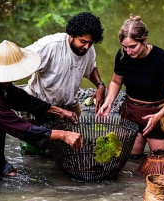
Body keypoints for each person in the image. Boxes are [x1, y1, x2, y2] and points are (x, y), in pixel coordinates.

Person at [0, 40, 84, 180]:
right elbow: (21, 128)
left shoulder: (1, 85)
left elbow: (22, 99)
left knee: (12, 175)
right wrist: (64, 135)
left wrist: (58, 111)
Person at [19, 12, 106, 155]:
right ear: (71, 35)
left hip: (66, 109)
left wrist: (100, 85)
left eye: (90, 43)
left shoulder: (88, 50)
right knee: (33, 154)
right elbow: (20, 61)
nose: (86, 47)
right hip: (39, 106)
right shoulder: (49, 47)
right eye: (83, 41)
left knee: (62, 153)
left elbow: (90, 68)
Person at [97, 15, 164, 159]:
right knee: (129, 160)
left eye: (133, 46)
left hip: (157, 112)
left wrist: (158, 116)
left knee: (161, 162)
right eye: (125, 46)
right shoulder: (123, 56)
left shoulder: (162, 58)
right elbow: (116, 82)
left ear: (144, 40)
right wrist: (108, 102)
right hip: (131, 111)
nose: (128, 52)